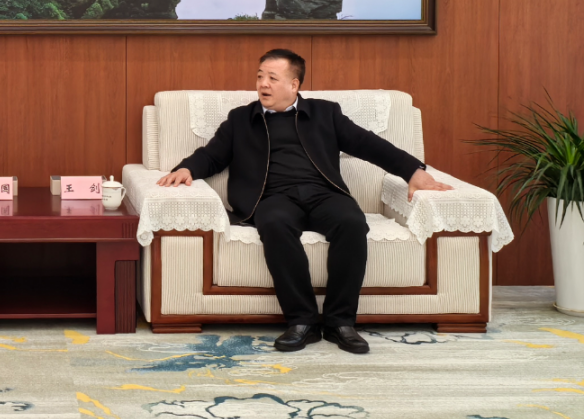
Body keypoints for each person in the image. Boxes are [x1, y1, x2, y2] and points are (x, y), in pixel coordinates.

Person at [157, 49, 452, 355]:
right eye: (260, 76)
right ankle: (302, 321)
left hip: (324, 193)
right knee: (274, 223)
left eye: (272, 78)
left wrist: (413, 171)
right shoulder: (241, 119)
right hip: (272, 197)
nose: (263, 84)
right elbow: (212, 155)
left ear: (294, 84)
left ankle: (340, 322)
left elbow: (368, 144)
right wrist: (187, 168)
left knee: (352, 223)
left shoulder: (325, 113)